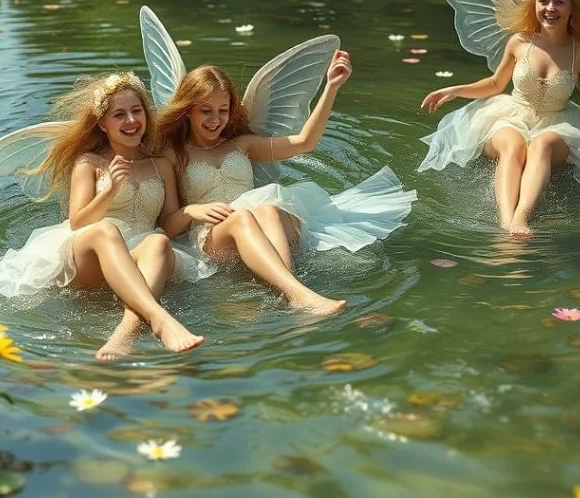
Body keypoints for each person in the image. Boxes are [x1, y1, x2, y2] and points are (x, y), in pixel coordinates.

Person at [0, 72, 205, 360]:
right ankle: (158, 316)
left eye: (136, 111)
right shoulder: (89, 163)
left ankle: (128, 330)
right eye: (119, 115)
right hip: (93, 254)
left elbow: (167, 226)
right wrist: (109, 192)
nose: (131, 121)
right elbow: (78, 221)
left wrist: (189, 211)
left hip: (139, 255)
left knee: (158, 241)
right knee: (106, 231)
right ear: (102, 124)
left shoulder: (160, 165)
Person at [154, 50, 415, 315]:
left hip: (264, 225)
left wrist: (332, 87)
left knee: (270, 209)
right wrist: (192, 211)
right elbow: (168, 225)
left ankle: (292, 293)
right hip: (214, 238)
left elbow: (304, 143)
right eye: (205, 111)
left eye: (223, 110)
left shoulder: (242, 145)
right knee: (243, 217)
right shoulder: (173, 155)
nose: (215, 119)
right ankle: (297, 294)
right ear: (187, 111)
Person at [419, 0, 580, 236]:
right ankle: (506, 220)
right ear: (534, 4)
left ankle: (521, 218)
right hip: (510, 115)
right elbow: (495, 84)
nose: (550, 8)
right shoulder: (519, 41)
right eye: (544, 1)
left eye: (559, 2)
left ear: (572, 8)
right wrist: (456, 90)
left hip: (557, 123)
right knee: (513, 144)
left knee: (542, 144)